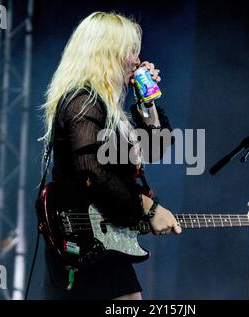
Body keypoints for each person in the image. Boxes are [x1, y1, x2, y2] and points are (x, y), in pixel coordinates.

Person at [39, 11, 182, 300]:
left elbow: (156, 149)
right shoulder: (82, 101)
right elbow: (91, 171)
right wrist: (149, 209)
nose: (136, 60)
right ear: (106, 52)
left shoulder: (108, 110)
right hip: (84, 239)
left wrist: (148, 101)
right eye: (130, 51)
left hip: (105, 235)